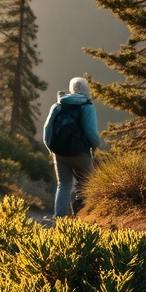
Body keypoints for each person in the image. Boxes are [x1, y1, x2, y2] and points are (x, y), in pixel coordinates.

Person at [43, 77, 102, 217]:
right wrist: (95, 147)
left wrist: (52, 149)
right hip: (80, 153)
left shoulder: (58, 105)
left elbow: (47, 130)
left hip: (59, 153)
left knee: (63, 185)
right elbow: (92, 133)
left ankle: (60, 219)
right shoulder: (87, 106)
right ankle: (84, 216)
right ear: (85, 89)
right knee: (87, 183)